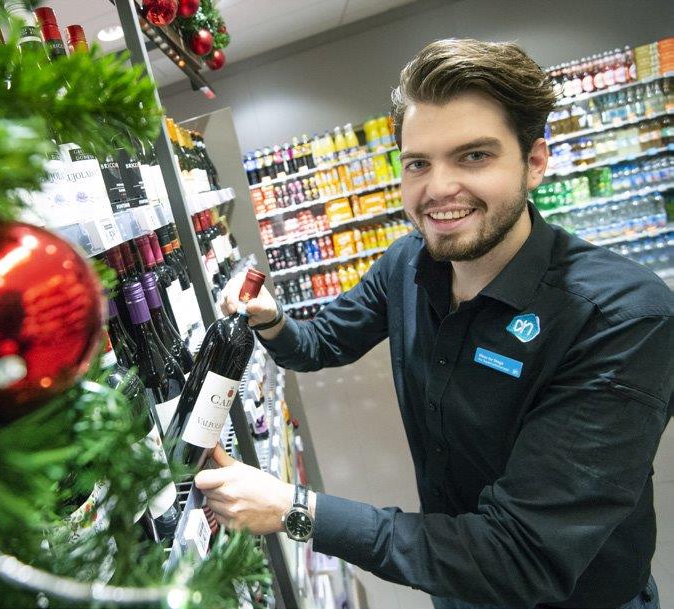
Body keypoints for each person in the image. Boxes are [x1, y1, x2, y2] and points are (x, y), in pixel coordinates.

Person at [196, 39, 673, 609]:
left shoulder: (620, 317)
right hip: (455, 585)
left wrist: (296, 510)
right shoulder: (407, 263)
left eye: (474, 156)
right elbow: (319, 345)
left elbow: (521, 557)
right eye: (418, 163)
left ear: (536, 162)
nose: (439, 188)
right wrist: (271, 320)